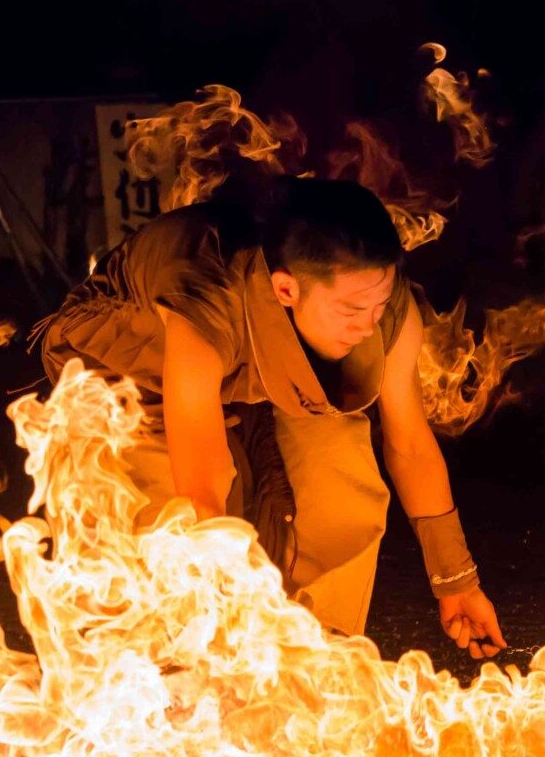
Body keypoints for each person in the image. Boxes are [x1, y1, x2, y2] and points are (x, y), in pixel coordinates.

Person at [40, 176, 506, 658]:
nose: (367, 325)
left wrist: (456, 577)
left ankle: (319, 668)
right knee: (162, 522)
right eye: (350, 310)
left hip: (278, 376)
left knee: (341, 486)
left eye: (378, 305)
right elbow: (201, 482)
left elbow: (408, 443)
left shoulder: (380, 309)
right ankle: (169, 679)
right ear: (286, 289)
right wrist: (225, 608)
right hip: (144, 381)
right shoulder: (204, 289)